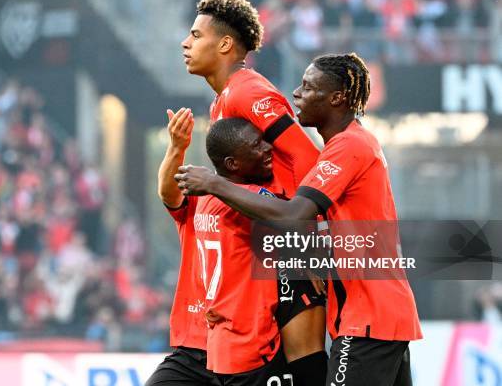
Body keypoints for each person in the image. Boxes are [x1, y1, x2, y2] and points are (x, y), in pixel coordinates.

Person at [174, 52, 423, 385]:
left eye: (308, 87)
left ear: (336, 98)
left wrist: (214, 184)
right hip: (376, 313)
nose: (296, 94)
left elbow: (294, 214)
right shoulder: (351, 143)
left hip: (368, 317)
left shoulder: (349, 146)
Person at [181, 0, 327, 384]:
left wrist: (309, 245)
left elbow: (309, 159)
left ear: (225, 44)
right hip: (262, 245)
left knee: (307, 369)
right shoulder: (221, 103)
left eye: (196, 35)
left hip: (288, 242)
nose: (186, 43)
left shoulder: (248, 91)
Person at [195, 117, 325, 384]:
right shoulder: (245, 201)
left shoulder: (204, 201)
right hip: (250, 342)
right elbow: (292, 217)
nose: (268, 148)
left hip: (223, 345)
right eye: (256, 145)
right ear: (232, 164)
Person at [146, 108, 217, 385]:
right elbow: (168, 193)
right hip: (195, 346)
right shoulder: (201, 198)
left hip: (244, 350)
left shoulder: (265, 204)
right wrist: (176, 147)